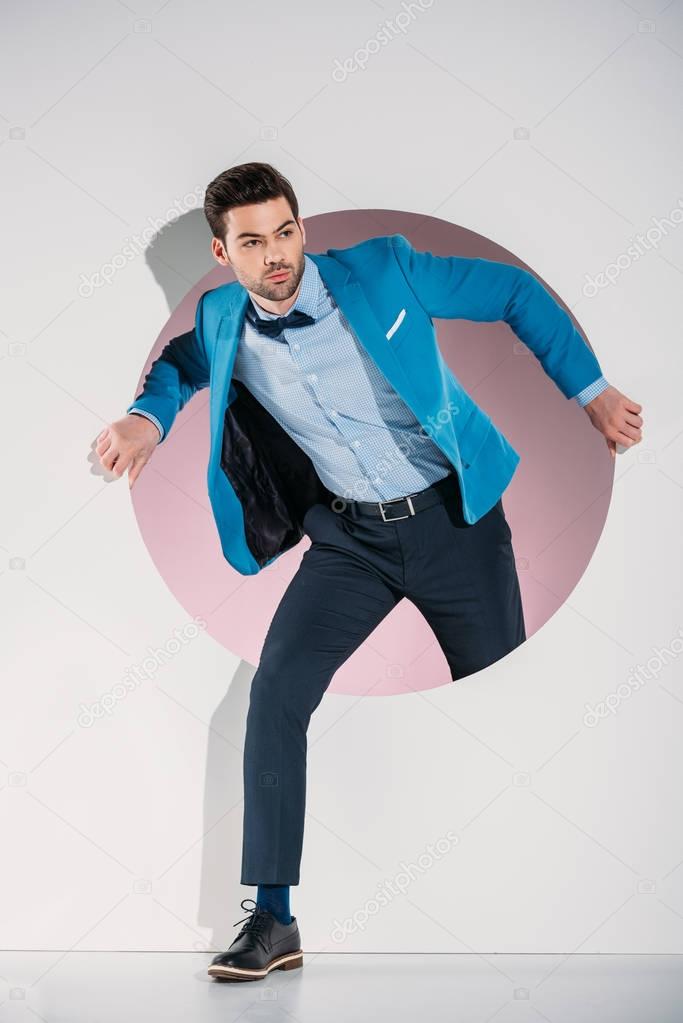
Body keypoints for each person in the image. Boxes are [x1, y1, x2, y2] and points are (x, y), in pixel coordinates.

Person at [96, 162, 643, 982]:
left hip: (454, 523)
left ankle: (580, 897)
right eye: (251, 242)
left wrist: (590, 391)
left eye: (284, 231)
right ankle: (274, 918)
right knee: (274, 694)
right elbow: (179, 363)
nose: (275, 254)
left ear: (300, 228)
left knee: (515, 695)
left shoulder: (383, 268)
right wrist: (145, 419)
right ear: (222, 252)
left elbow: (514, 294)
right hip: (350, 540)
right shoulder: (221, 318)